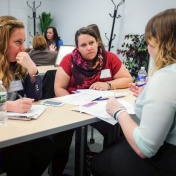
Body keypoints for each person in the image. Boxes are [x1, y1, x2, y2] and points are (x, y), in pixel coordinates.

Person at [90, 8, 176, 176]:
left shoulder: (166, 78)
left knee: (100, 162)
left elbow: (145, 148)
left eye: (150, 42)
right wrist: (149, 93)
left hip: (167, 159)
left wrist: (118, 111)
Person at [51, 27, 132, 175]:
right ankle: (57, 171)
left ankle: (105, 166)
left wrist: (108, 84)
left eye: (92, 42)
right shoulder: (69, 60)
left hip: (99, 109)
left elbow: (127, 79)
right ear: (77, 47)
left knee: (115, 129)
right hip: (72, 108)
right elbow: (59, 88)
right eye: (83, 45)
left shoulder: (109, 58)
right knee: (61, 139)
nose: (89, 48)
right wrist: (73, 104)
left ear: (97, 42)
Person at [0, 16, 55, 176]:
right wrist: (11, 106)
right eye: (18, 42)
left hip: (19, 126)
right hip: (4, 129)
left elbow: (35, 97)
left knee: (48, 144)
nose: (23, 48)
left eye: (24, 41)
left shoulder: (17, 65)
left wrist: (33, 71)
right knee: (20, 154)